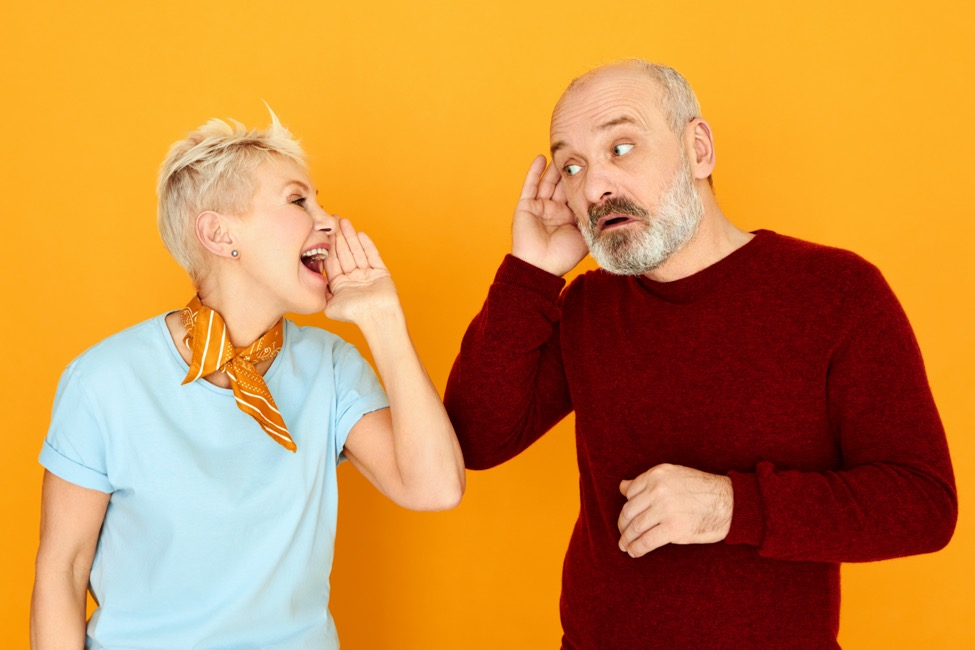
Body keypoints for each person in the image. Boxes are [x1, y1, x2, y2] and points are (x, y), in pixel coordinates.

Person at [444, 59, 957, 648]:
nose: (593, 188)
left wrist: (730, 506)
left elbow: (922, 504)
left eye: (622, 146)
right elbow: (475, 438)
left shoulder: (837, 292)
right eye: (572, 166)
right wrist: (530, 273)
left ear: (699, 149)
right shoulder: (588, 306)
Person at [31, 114, 465, 649]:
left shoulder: (330, 367)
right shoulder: (104, 381)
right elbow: (63, 570)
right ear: (219, 233)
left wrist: (383, 317)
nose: (328, 221)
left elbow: (437, 488)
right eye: (298, 200)